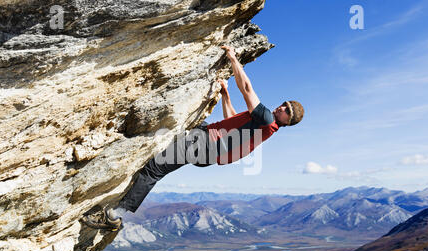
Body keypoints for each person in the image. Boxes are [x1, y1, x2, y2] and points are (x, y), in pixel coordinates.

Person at [82, 45, 305, 231]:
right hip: (208, 148)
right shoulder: (263, 125)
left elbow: (246, 88)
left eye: (287, 110)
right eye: (284, 104)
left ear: (287, 122)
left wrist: (233, 58)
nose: (281, 107)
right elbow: (231, 118)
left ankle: (114, 216)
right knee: (191, 130)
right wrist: (225, 94)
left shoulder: (267, 120)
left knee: (155, 168)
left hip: (206, 146)